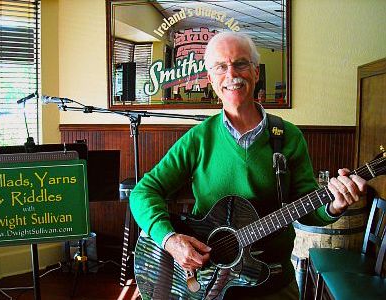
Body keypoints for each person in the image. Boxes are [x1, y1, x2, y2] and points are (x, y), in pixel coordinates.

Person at [129, 32, 366, 299]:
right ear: (210, 79)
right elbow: (143, 193)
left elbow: (308, 209)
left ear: (255, 72)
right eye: (221, 66)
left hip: (274, 283)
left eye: (240, 64)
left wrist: (334, 204)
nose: (232, 74)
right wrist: (169, 240)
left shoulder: (288, 137)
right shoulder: (198, 139)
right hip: (209, 285)